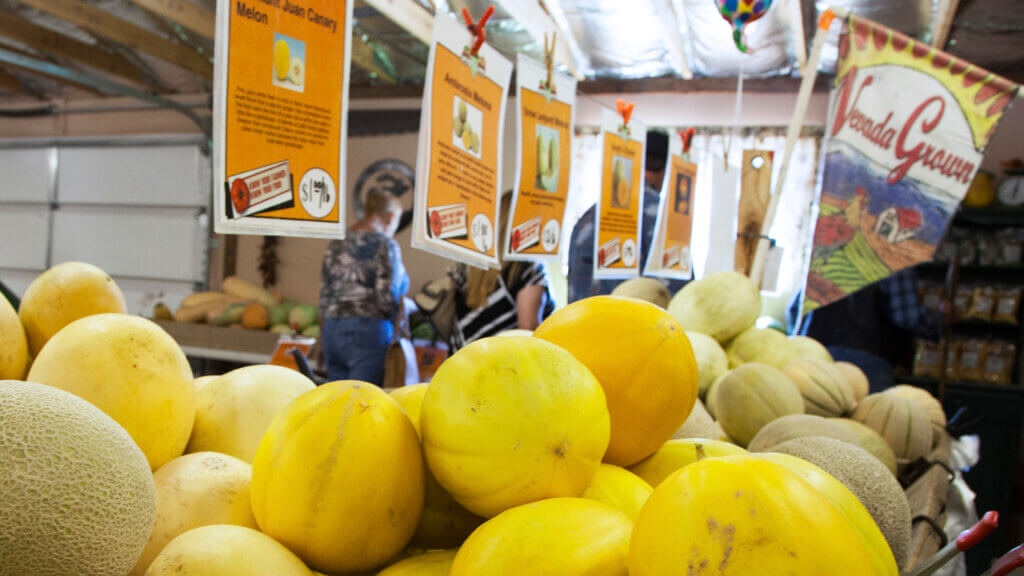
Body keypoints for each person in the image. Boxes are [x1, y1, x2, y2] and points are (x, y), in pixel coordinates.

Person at [567, 130, 688, 303]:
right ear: (665, 170)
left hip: (581, 324)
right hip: (633, 327)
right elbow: (682, 297)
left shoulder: (590, 215)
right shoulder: (662, 216)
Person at [790, 266, 943, 393]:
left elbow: (794, 310)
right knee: (862, 425)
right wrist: (941, 319)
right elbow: (910, 317)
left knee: (814, 425)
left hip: (815, 356)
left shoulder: (828, 256)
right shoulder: (895, 261)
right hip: (868, 361)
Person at [318, 190, 409, 385]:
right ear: (391, 218)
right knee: (360, 403)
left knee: (336, 401)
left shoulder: (337, 242)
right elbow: (387, 297)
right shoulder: (386, 244)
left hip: (331, 330)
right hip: (367, 333)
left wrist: (322, 337)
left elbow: (324, 295)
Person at [452, 193, 554, 346]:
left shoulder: (474, 264)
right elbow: (529, 331)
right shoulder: (528, 266)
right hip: (497, 364)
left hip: (461, 362)